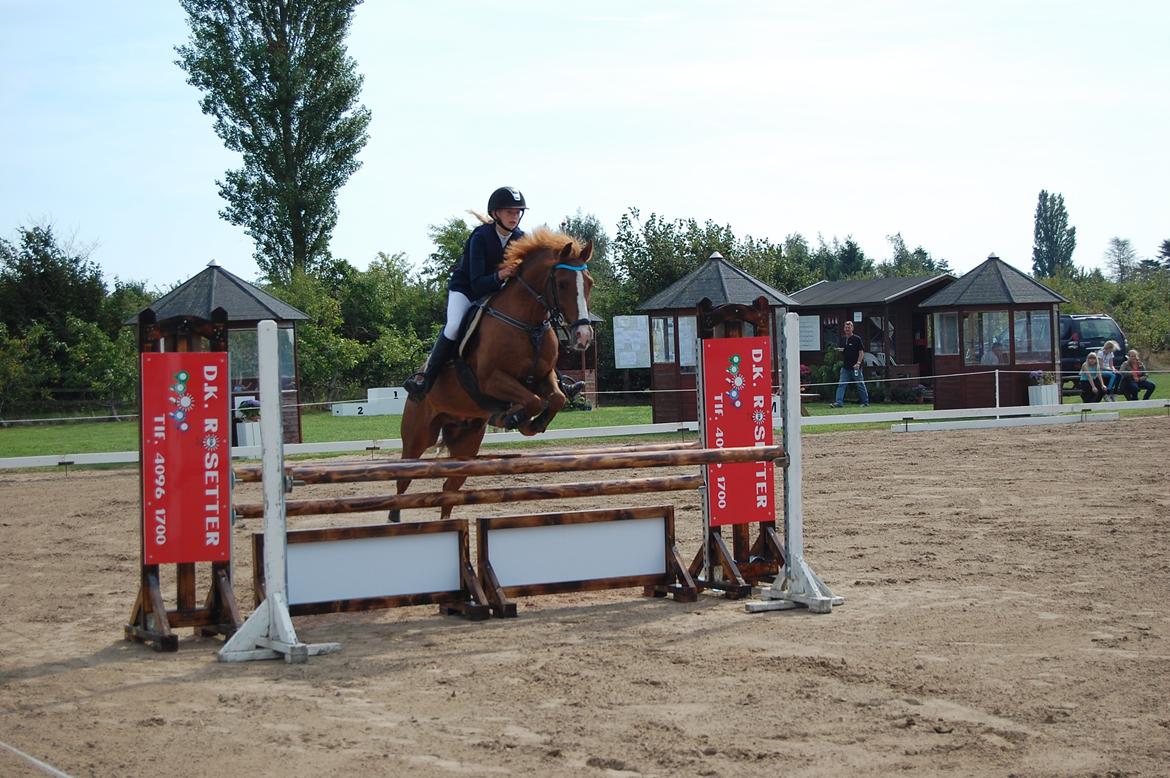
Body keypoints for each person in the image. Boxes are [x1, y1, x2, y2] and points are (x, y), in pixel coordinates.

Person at [404, 187, 585, 401]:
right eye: (509, 212)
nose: (514, 216)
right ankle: (425, 378)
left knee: (536, 327)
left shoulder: (520, 238)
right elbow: (477, 283)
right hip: (467, 290)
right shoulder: (480, 237)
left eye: (517, 212)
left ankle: (559, 381)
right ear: (495, 214)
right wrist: (500, 275)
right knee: (453, 326)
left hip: (499, 292)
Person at [831, 320, 869, 407]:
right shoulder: (843, 339)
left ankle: (865, 402)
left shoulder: (857, 339)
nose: (847, 329)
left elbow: (861, 352)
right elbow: (844, 350)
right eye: (846, 327)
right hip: (845, 367)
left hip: (856, 367)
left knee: (860, 384)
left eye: (849, 327)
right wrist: (840, 350)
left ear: (852, 328)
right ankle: (839, 403)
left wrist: (858, 363)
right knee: (841, 385)